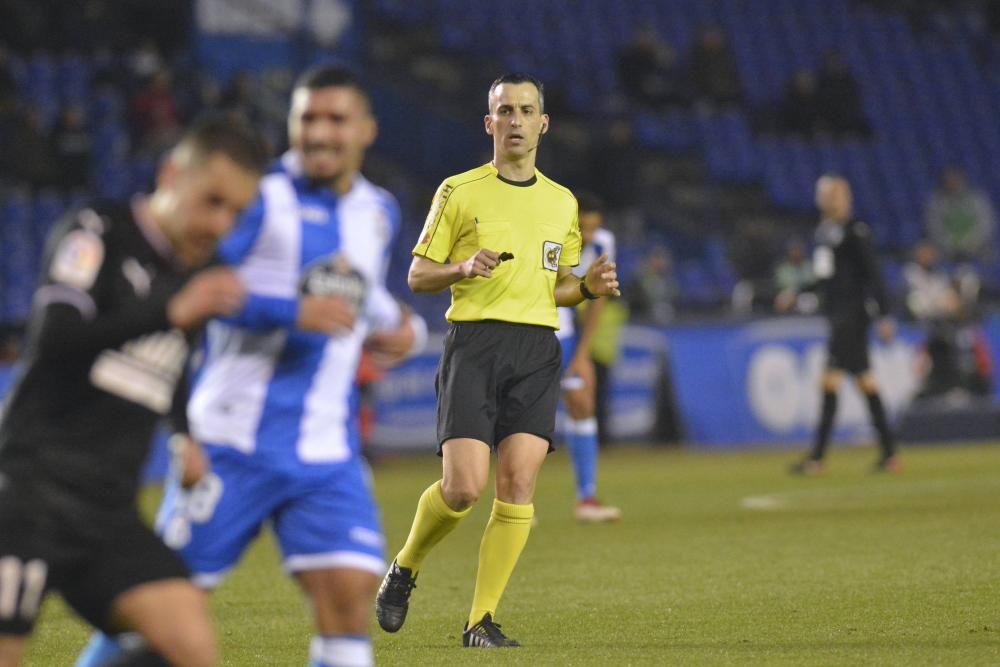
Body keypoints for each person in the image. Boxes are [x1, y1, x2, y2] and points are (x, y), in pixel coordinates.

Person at [78, 65, 424, 667]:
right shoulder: (258, 198)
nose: (318, 133)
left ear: (366, 129)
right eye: (306, 118)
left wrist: (408, 329)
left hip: (325, 451)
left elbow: (361, 292)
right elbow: (198, 284)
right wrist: (292, 311)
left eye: (335, 119)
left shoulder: (379, 211)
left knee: (347, 596)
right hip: (232, 442)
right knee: (156, 608)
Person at [0, 116, 267, 667]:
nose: (220, 223)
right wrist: (168, 311)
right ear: (172, 174)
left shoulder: (197, 273)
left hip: (107, 512)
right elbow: (53, 337)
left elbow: (170, 365)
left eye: (235, 212)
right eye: (211, 201)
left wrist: (183, 435)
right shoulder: (96, 231)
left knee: (190, 646)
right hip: (28, 493)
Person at [374, 72, 620, 648]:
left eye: (525, 110)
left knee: (519, 484)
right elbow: (416, 275)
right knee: (462, 488)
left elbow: (554, 286)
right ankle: (405, 566)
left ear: (543, 122)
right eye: (504, 110)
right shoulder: (458, 191)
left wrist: (587, 289)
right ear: (489, 123)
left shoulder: (562, 202)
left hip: (537, 348)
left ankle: (479, 620)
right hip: (474, 344)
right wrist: (460, 268)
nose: (514, 120)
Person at [784, 175, 900, 475]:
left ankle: (817, 459)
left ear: (842, 198)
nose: (824, 199)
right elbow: (823, 276)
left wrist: (884, 315)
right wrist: (797, 292)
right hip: (837, 314)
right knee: (865, 381)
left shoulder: (855, 231)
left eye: (829, 194)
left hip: (853, 315)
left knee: (830, 380)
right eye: (822, 194)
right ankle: (889, 454)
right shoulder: (825, 233)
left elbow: (873, 274)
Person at [556, 191, 622, 522]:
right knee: (517, 417)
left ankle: (587, 498)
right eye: (583, 226)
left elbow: (599, 298)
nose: (589, 234)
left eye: (594, 227)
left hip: (565, 333)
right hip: (530, 329)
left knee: (582, 402)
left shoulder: (602, 244)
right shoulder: (547, 231)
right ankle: (510, 503)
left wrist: (582, 352)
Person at [925, 166, 997, 262]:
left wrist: (973, 241)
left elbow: (986, 223)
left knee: (990, 256)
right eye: (949, 181)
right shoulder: (937, 202)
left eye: (955, 179)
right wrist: (952, 243)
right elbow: (934, 227)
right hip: (948, 251)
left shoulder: (977, 199)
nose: (953, 183)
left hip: (977, 248)